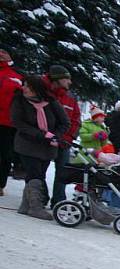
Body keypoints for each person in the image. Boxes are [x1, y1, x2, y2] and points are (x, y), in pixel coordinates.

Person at [11, 75, 68, 220]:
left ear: (37, 89)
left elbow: (64, 122)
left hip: (48, 147)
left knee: (38, 174)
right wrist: (42, 134)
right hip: (27, 144)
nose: (24, 89)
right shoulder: (19, 101)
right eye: (24, 85)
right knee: (35, 173)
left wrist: (55, 135)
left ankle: (25, 205)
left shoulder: (51, 101)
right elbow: (18, 123)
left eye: (28, 87)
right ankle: (36, 207)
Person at [43, 65, 80, 207]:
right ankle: (40, 197)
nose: (70, 82)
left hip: (64, 141)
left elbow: (76, 120)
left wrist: (69, 137)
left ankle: (58, 201)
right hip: (45, 140)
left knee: (62, 173)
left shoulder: (70, 97)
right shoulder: (45, 93)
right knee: (39, 171)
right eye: (67, 79)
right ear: (58, 79)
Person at [0, 49, 22, 196]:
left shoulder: (17, 76)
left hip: (7, 123)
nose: (1, 53)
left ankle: (0, 185)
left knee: (5, 155)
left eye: (4, 52)